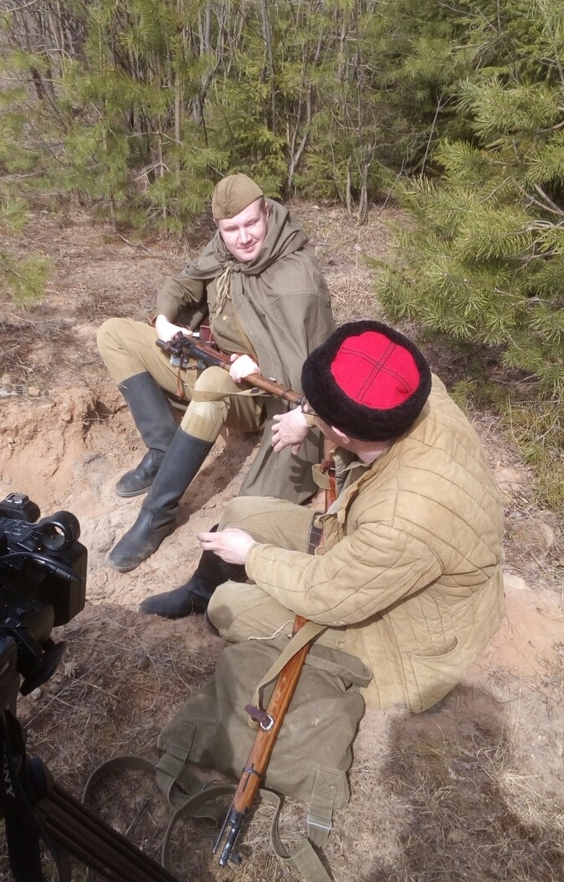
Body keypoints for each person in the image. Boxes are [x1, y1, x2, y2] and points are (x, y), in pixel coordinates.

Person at [144, 321, 505, 713]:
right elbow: (358, 394)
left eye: (317, 412)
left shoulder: (402, 518)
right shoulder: (418, 393)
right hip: (382, 553)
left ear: (341, 432)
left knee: (229, 606)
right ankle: (199, 592)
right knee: (241, 513)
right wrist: (305, 416)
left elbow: (326, 595)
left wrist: (251, 556)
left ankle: (213, 606)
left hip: (409, 632)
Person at [97, 173, 335, 572]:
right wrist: (164, 322)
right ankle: (163, 449)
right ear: (219, 229)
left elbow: (305, 370)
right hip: (213, 360)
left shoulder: (296, 278)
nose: (243, 238)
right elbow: (183, 283)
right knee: (114, 334)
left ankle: (157, 512)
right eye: (231, 229)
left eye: (251, 224)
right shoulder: (224, 251)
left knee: (212, 385)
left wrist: (260, 366)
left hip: (263, 394)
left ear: (266, 212)